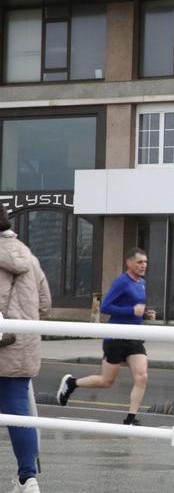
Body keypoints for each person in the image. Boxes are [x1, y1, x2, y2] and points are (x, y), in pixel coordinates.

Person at [56, 248, 156, 426]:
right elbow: (106, 307)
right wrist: (131, 311)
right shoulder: (122, 282)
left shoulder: (142, 283)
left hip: (134, 337)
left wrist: (144, 315)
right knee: (106, 381)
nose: (144, 265)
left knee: (142, 376)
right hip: (115, 338)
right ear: (129, 263)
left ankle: (130, 420)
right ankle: (72, 383)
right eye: (140, 262)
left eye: (146, 262)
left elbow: (135, 310)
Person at [0, 205, 52, 493]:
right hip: (24, 343)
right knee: (19, 411)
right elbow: (45, 302)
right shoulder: (27, 254)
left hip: (2, 341)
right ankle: (28, 478)